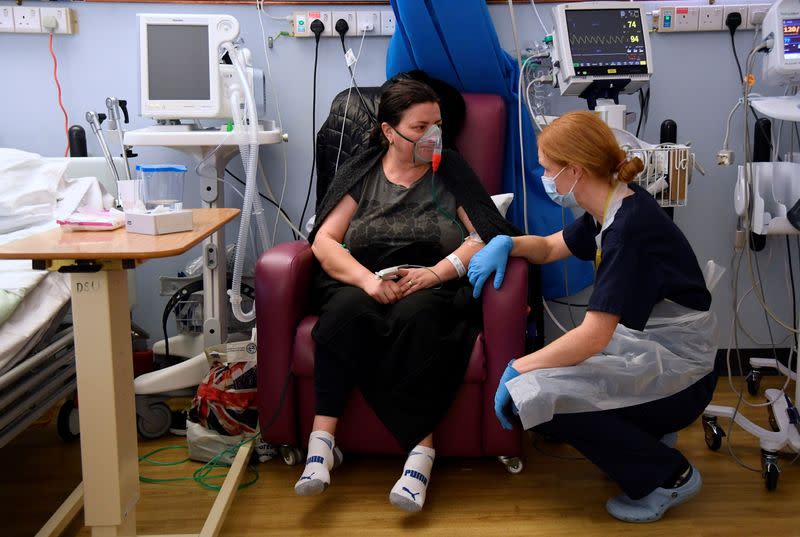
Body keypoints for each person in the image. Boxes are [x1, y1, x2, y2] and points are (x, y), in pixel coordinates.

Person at [468, 111, 718, 523]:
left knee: (535, 398)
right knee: (545, 387)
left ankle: (667, 476)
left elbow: (592, 338)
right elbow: (550, 248)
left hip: (682, 378)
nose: (544, 177)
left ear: (575, 171)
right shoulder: (614, 207)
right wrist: (506, 243)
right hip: (663, 357)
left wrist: (518, 368)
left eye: (547, 169)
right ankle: (647, 436)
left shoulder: (627, 230)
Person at [296, 79, 519, 512]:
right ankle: (321, 445)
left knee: (414, 320)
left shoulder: (450, 170)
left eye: (437, 125)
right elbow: (324, 239)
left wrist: (437, 273)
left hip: (430, 285)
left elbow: (486, 235)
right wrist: (367, 282)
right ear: (388, 131)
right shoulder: (362, 171)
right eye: (420, 128)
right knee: (343, 314)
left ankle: (421, 454)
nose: (432, 136)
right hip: (367, 278)